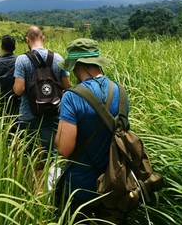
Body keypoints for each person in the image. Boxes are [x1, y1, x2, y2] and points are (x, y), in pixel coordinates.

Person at [54, 38, 129, 224]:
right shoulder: (121, 91)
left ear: (76, 64)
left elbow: (64, 149)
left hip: (79, 186)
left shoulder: (71, 97)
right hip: (114, 182)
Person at [13, 26, 71, 159]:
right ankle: (51, 178)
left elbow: (19, 90)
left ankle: (28, 178)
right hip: (52, 111)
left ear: (27, 40)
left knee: (27, 154)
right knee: (51, 153)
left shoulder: (22, 60)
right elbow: (66, 85)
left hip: (28, 113)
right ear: (43, 38)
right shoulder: (58, 58)